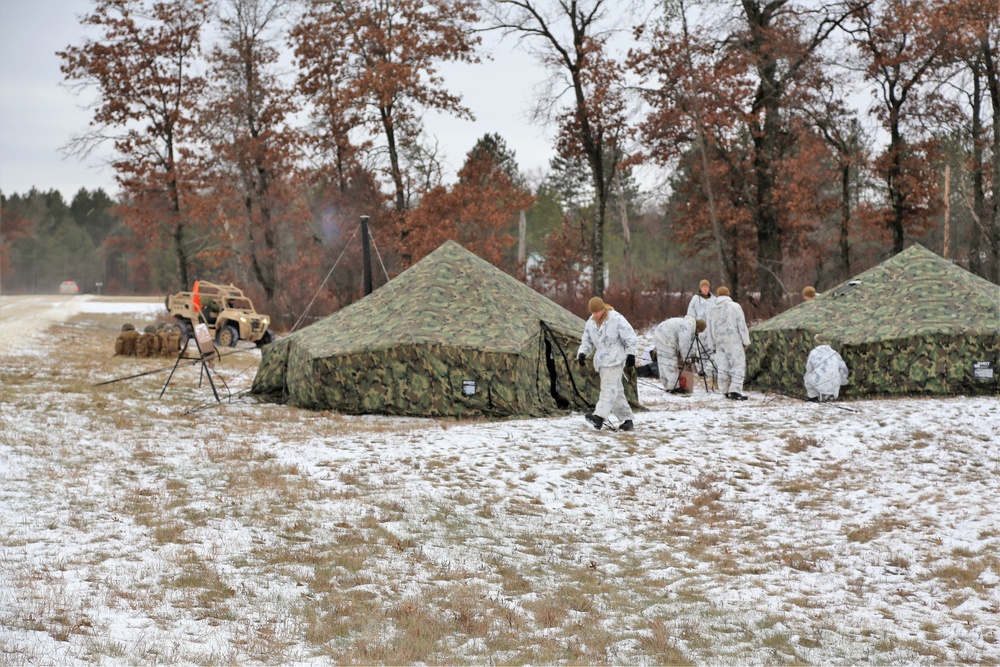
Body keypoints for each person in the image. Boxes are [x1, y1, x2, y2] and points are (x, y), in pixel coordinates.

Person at [577, 296, 638, 431]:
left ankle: (599, 417)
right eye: (593, 313)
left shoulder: (616, 319)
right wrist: (582, 353)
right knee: (616, 391)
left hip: (615, 358)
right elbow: (587, 341)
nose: (595, 315)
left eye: (597, 312)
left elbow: (630, 336)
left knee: (608, 388)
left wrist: (631, 354)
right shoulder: (591, 322)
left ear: (603, 309)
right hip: (601, 361)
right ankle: (627, 420)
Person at [707, 286, 751, 400]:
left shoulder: (712, 309)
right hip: (733, 340)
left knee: (723, 366)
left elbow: (710, 329)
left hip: (719, 342)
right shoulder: (735, 306)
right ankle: (735, 390)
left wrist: (711, 345)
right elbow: (741, 325)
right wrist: (746, 341)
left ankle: (725, 390)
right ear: (728, 294)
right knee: (737, 364)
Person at [653, 316, 706, 393]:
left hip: (660, 333)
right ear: (698, 328)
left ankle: (667, 385)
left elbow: (689, 344)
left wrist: (692, 354)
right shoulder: (687, 328)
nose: (698, 333)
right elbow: (684, 345)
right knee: (670, 362)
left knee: (663, 361)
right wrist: (687, 359)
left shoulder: (687, 324)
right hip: (666, 337)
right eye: (699, 331)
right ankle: (674, 387)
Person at [804, 333, 849, 401]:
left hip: (819, 382)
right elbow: (843, 369)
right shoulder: (835, 353)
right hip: (834, 384)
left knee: (808, 376)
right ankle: (830, 396)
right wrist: (842, 381)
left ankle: (813, 397)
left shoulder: (813, 352)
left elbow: (809, 368)